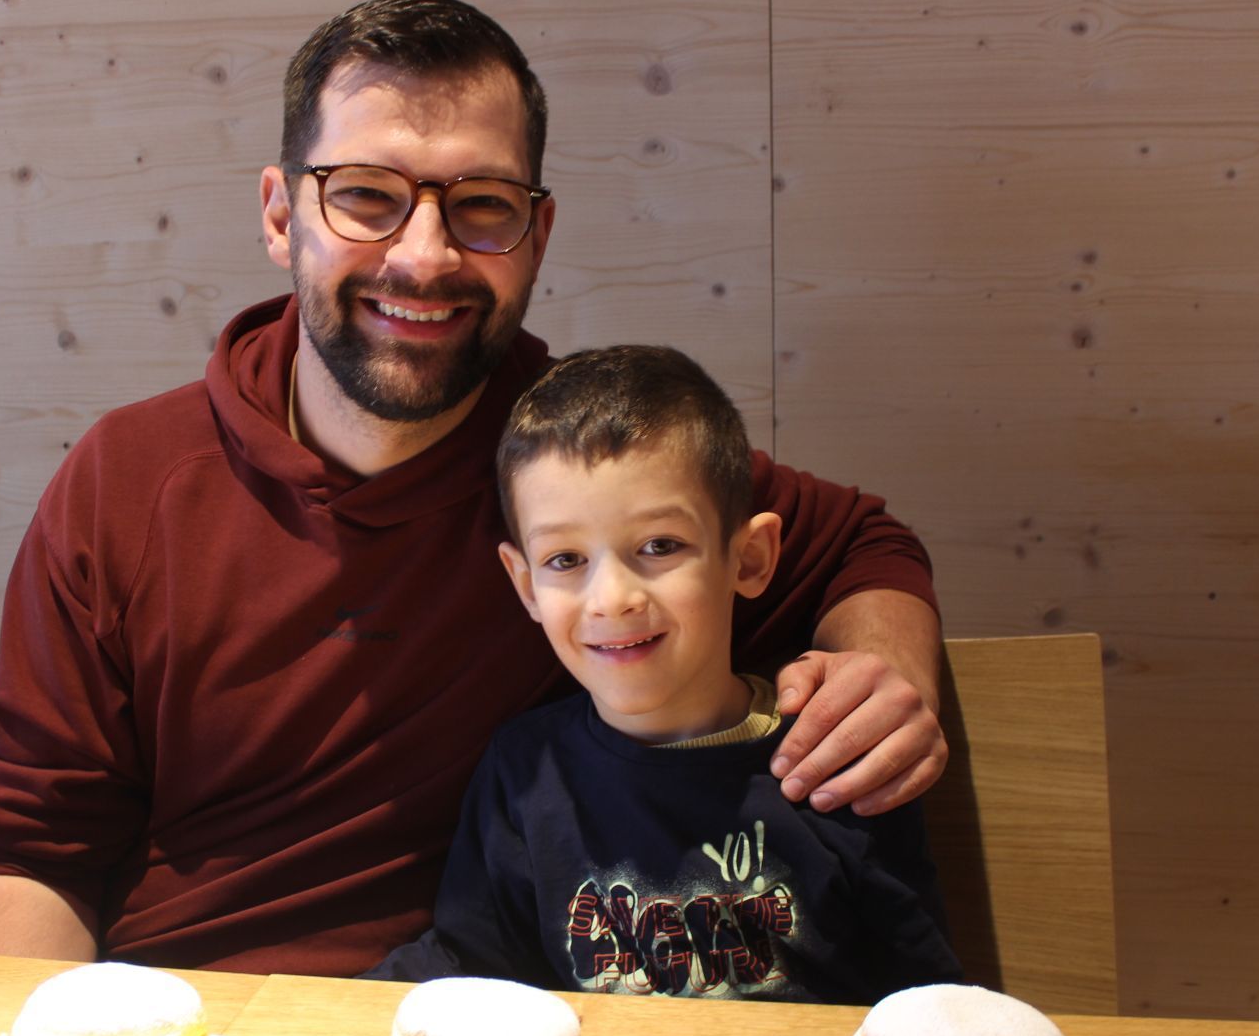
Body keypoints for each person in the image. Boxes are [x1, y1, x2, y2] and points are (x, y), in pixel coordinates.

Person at [0, 0, 947, 974]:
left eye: (480, 208)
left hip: (481, 1032)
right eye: (366, 197)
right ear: (279, 213)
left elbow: (863, 543)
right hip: (189, 1030)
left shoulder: (585, 467)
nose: (423, 258)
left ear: (536, 237)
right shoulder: (124, 481)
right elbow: (32, 853)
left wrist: (883, 679)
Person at [371, 346, 961, 1001]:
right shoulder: (523, 771)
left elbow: (922, 1005)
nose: (611, 598)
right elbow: (469, 967)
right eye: (566, 558)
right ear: (525, 584)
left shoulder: (838, 757)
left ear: (751, 557)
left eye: (658, 546)